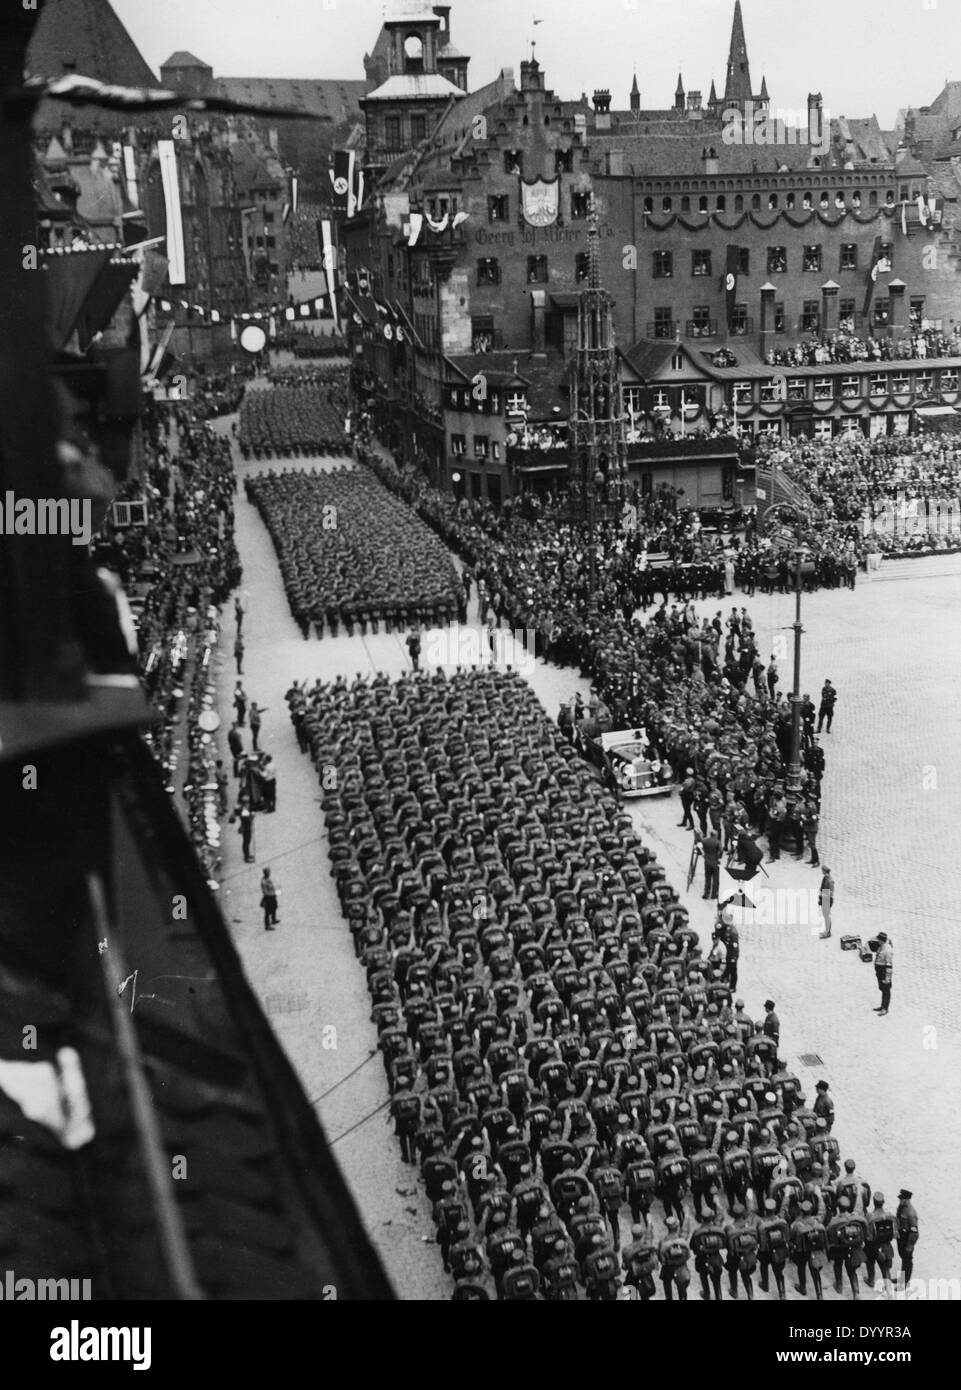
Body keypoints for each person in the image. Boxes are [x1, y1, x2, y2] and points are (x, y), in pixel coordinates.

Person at [896, 1189, 919, 1286]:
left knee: (907, 1260)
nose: (900, 1201)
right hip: (902, 1237)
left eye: (901, 1199)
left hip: (907, 1239)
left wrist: (909, 1245)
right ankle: (901, 1279)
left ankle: (904, 1283)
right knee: (904, 1258)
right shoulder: (902, 1207)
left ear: (906, 1200)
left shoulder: (911, 1212)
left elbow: (914, 1231)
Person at [698, 829, 721, 900]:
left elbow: (699, 846)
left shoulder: (704, 840)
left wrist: (702, 854)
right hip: (715, 861)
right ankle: (714, 894)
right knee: (715, 878)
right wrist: (719, 857)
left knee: (707, 878)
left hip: (707, 861)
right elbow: (721, 851)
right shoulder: (717, 842)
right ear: (715, 835)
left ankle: (706, 893)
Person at [873, 932, 893, 1015]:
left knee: (886, 990)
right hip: (879, 970)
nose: (877, 941)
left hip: (884, 971)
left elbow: (889, 965)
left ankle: (885, 1008)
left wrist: (887, 978)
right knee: (882, 989)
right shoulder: (882, 946)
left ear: (881, 940)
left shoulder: (887, 950)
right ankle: (882, 1006)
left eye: (878, 939)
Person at [818, 867, 834, 938]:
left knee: (827, 916)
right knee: (825, 916)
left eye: (822, 871)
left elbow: (831, 892)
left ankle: (827, 932)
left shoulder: (830, 880)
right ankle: (827, 931)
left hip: (827, 898)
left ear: (825, 871)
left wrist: (823, 895)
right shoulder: (825, 878)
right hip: (824, 897)